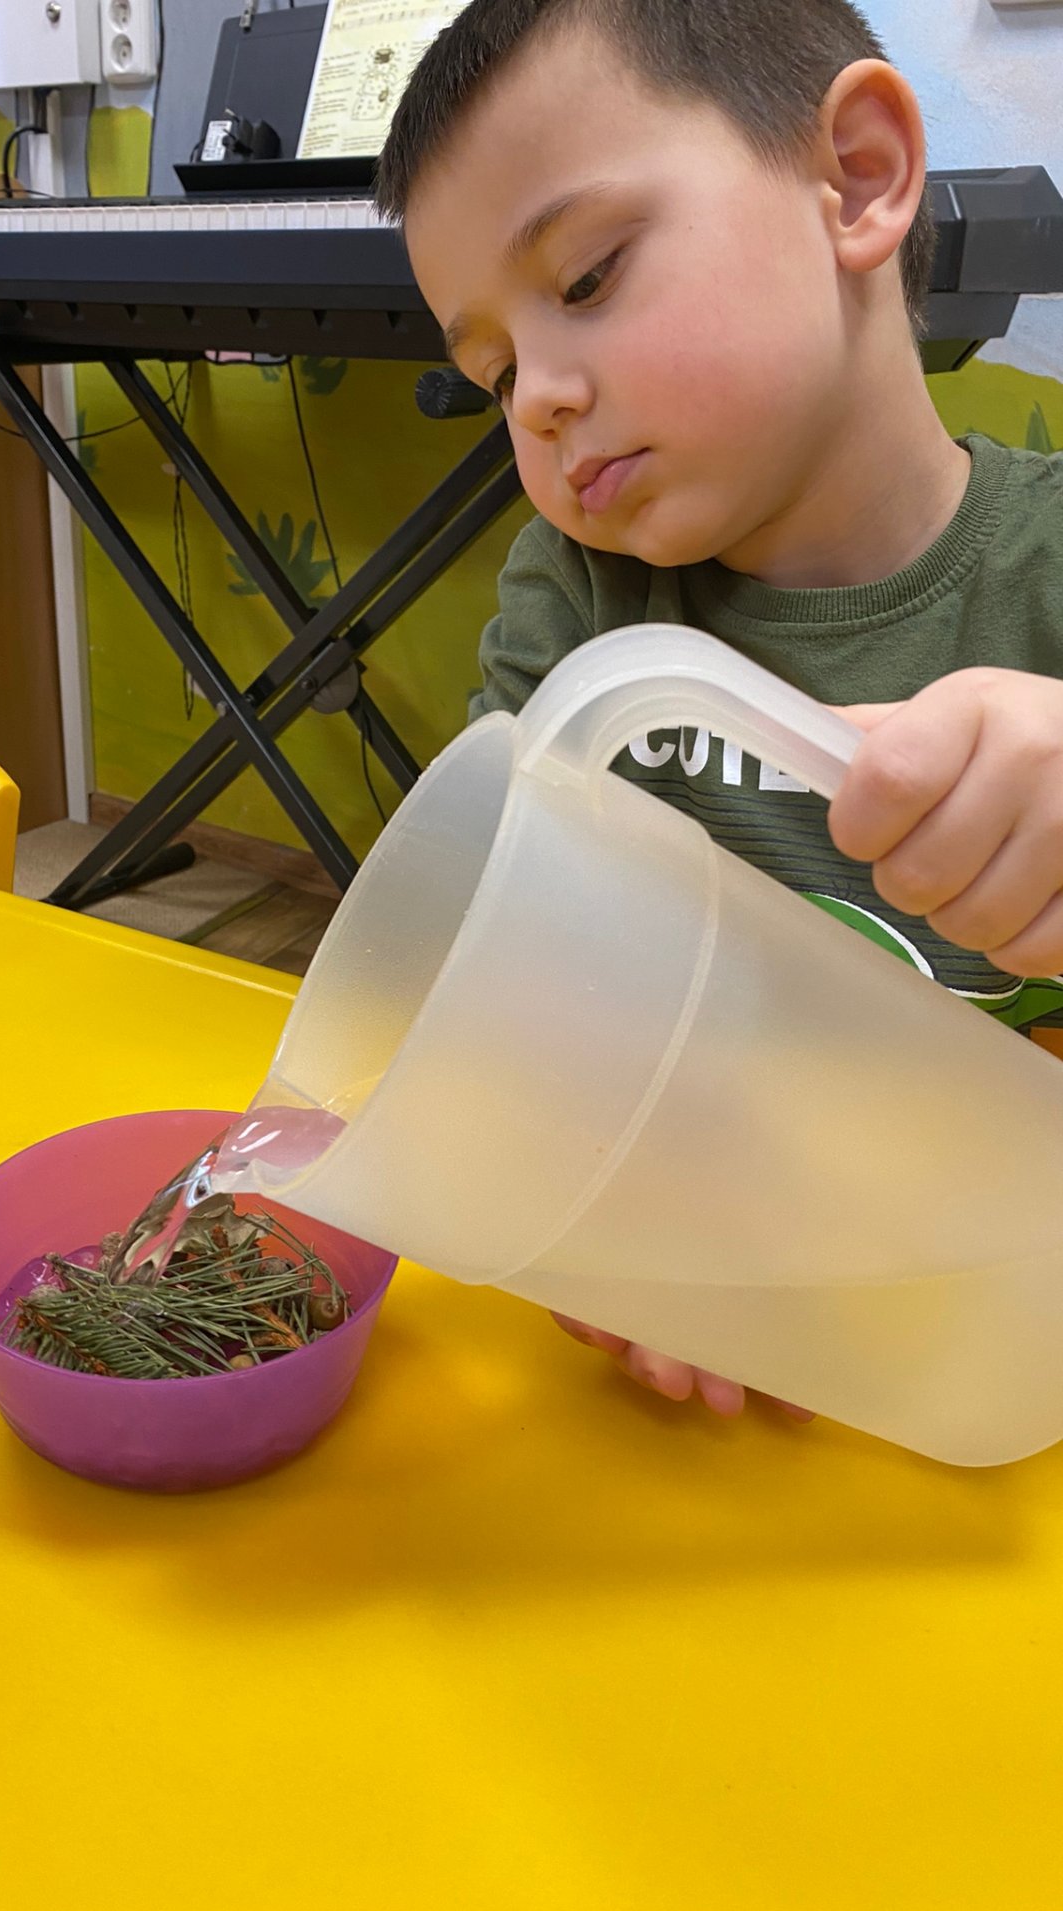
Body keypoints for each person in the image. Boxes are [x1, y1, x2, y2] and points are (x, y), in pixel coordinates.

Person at [375, 0, 1063, 1417]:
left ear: (856, 178)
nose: (539, 400)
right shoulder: (579, 597)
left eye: (587, 277)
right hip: (738, 1391)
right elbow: (497, 978)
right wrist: (601, 1175)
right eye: (493, 373)